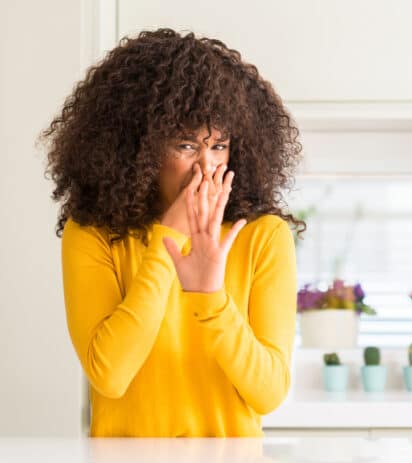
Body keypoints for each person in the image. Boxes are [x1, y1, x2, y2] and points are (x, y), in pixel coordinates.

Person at [39, 28, 306, 437]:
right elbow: (109, 375)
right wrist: (168, 243)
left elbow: (268, 394)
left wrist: (211, 297)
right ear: (138, 148)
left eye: (219, 146)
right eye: (185, 145)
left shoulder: (263, 236)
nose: (206, 166)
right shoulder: (92, 233)